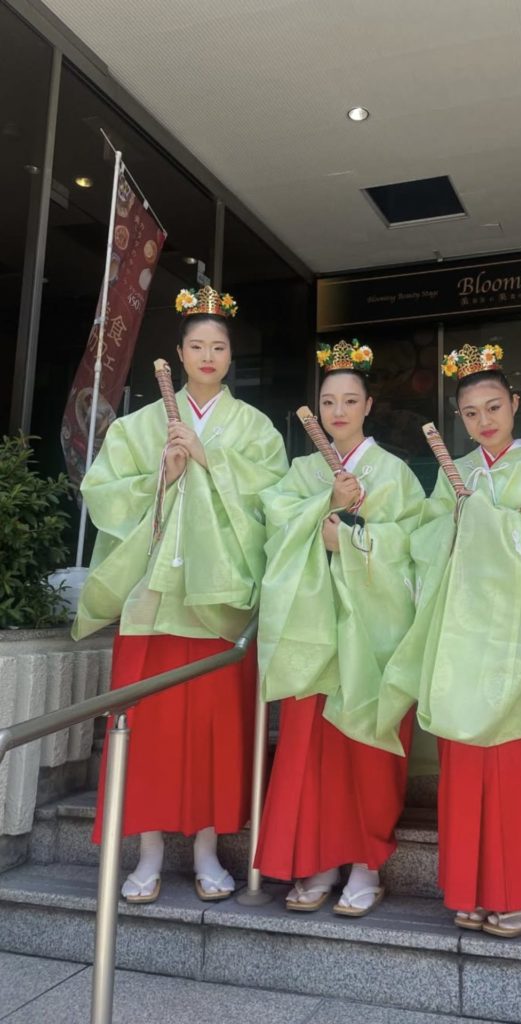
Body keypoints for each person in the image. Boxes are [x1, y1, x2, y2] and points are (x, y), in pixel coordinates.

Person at [73, 286, 287, 904]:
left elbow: (274, 501)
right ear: (179, 352)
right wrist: (160, 476)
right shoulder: (139, 427)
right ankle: (146, 853)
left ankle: (206, 849)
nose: (208, 356)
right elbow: (102, 494)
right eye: (197, 346)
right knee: (145, 730)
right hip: (153, 600)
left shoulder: (254, 428)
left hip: (218, 605)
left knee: (213, 732)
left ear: (231, 355)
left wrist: (212, 458)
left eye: (218, 346)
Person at [378, 342, 521, 938]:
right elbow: (425, 547)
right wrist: (455, 522)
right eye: (472, 413)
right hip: (469, 646)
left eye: (494, 407)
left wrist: (486, 521)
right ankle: (474, 887)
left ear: (515, 404)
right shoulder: (455, 476)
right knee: (473, 769)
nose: (484, 421)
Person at [255, 339, 424, 916]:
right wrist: (323, 503)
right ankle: (322, 857)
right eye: (329, 401)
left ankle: (366, 864)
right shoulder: (302, 471)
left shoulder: (395, 473)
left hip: (371, 634)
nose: (339, 411)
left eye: (351, 400)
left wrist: (349, 539)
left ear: (369, 405)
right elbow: (275, 530)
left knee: (366, 750)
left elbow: (414, 548)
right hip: (312, 632)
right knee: (313, 754)